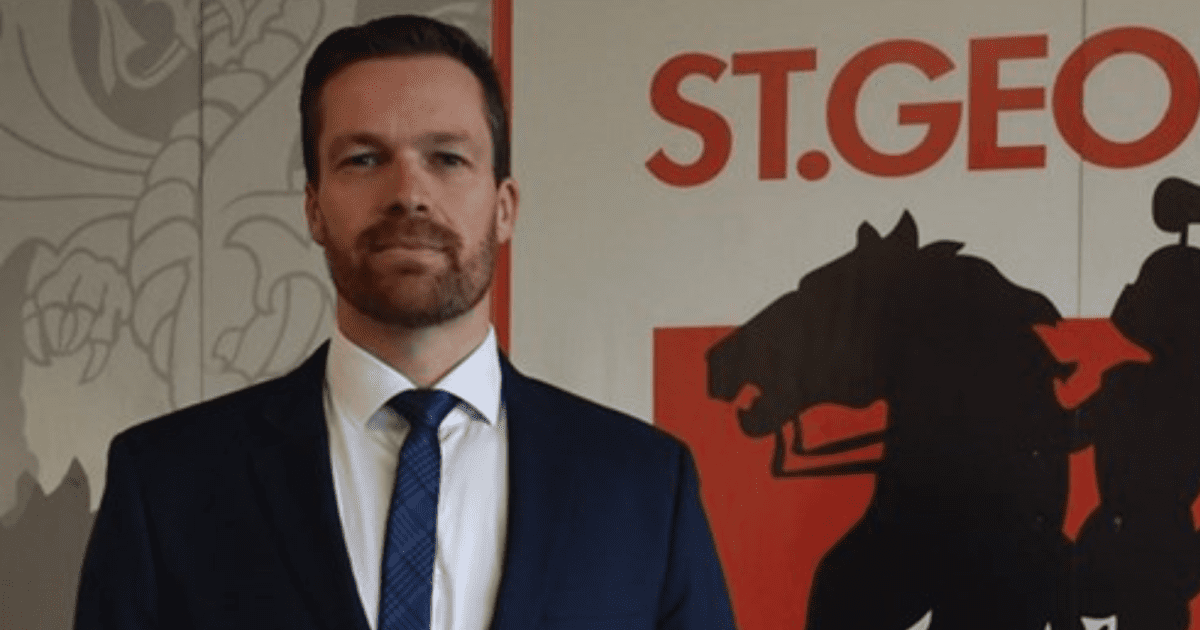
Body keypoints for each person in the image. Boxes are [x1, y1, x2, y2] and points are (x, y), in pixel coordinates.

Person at [74, 14, 735, 630]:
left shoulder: (645, 485)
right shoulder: (167, 481)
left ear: (504, 207)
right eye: (364, 159)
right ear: (313, 208)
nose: (408, 194)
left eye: (447, 158)